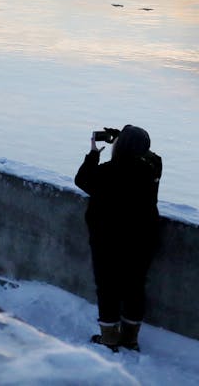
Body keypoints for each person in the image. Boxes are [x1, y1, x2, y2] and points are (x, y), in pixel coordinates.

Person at [74, 124, 162, 352]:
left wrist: (94, 152)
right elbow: (155, 157)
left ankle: (110, 339)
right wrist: (128, 141)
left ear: (118, 146)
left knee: (107, 287)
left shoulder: (105, 173)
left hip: (108, 240)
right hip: (143, 239)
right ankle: (130, 339)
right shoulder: (152, 170)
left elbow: (81, 179)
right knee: (135, 286)